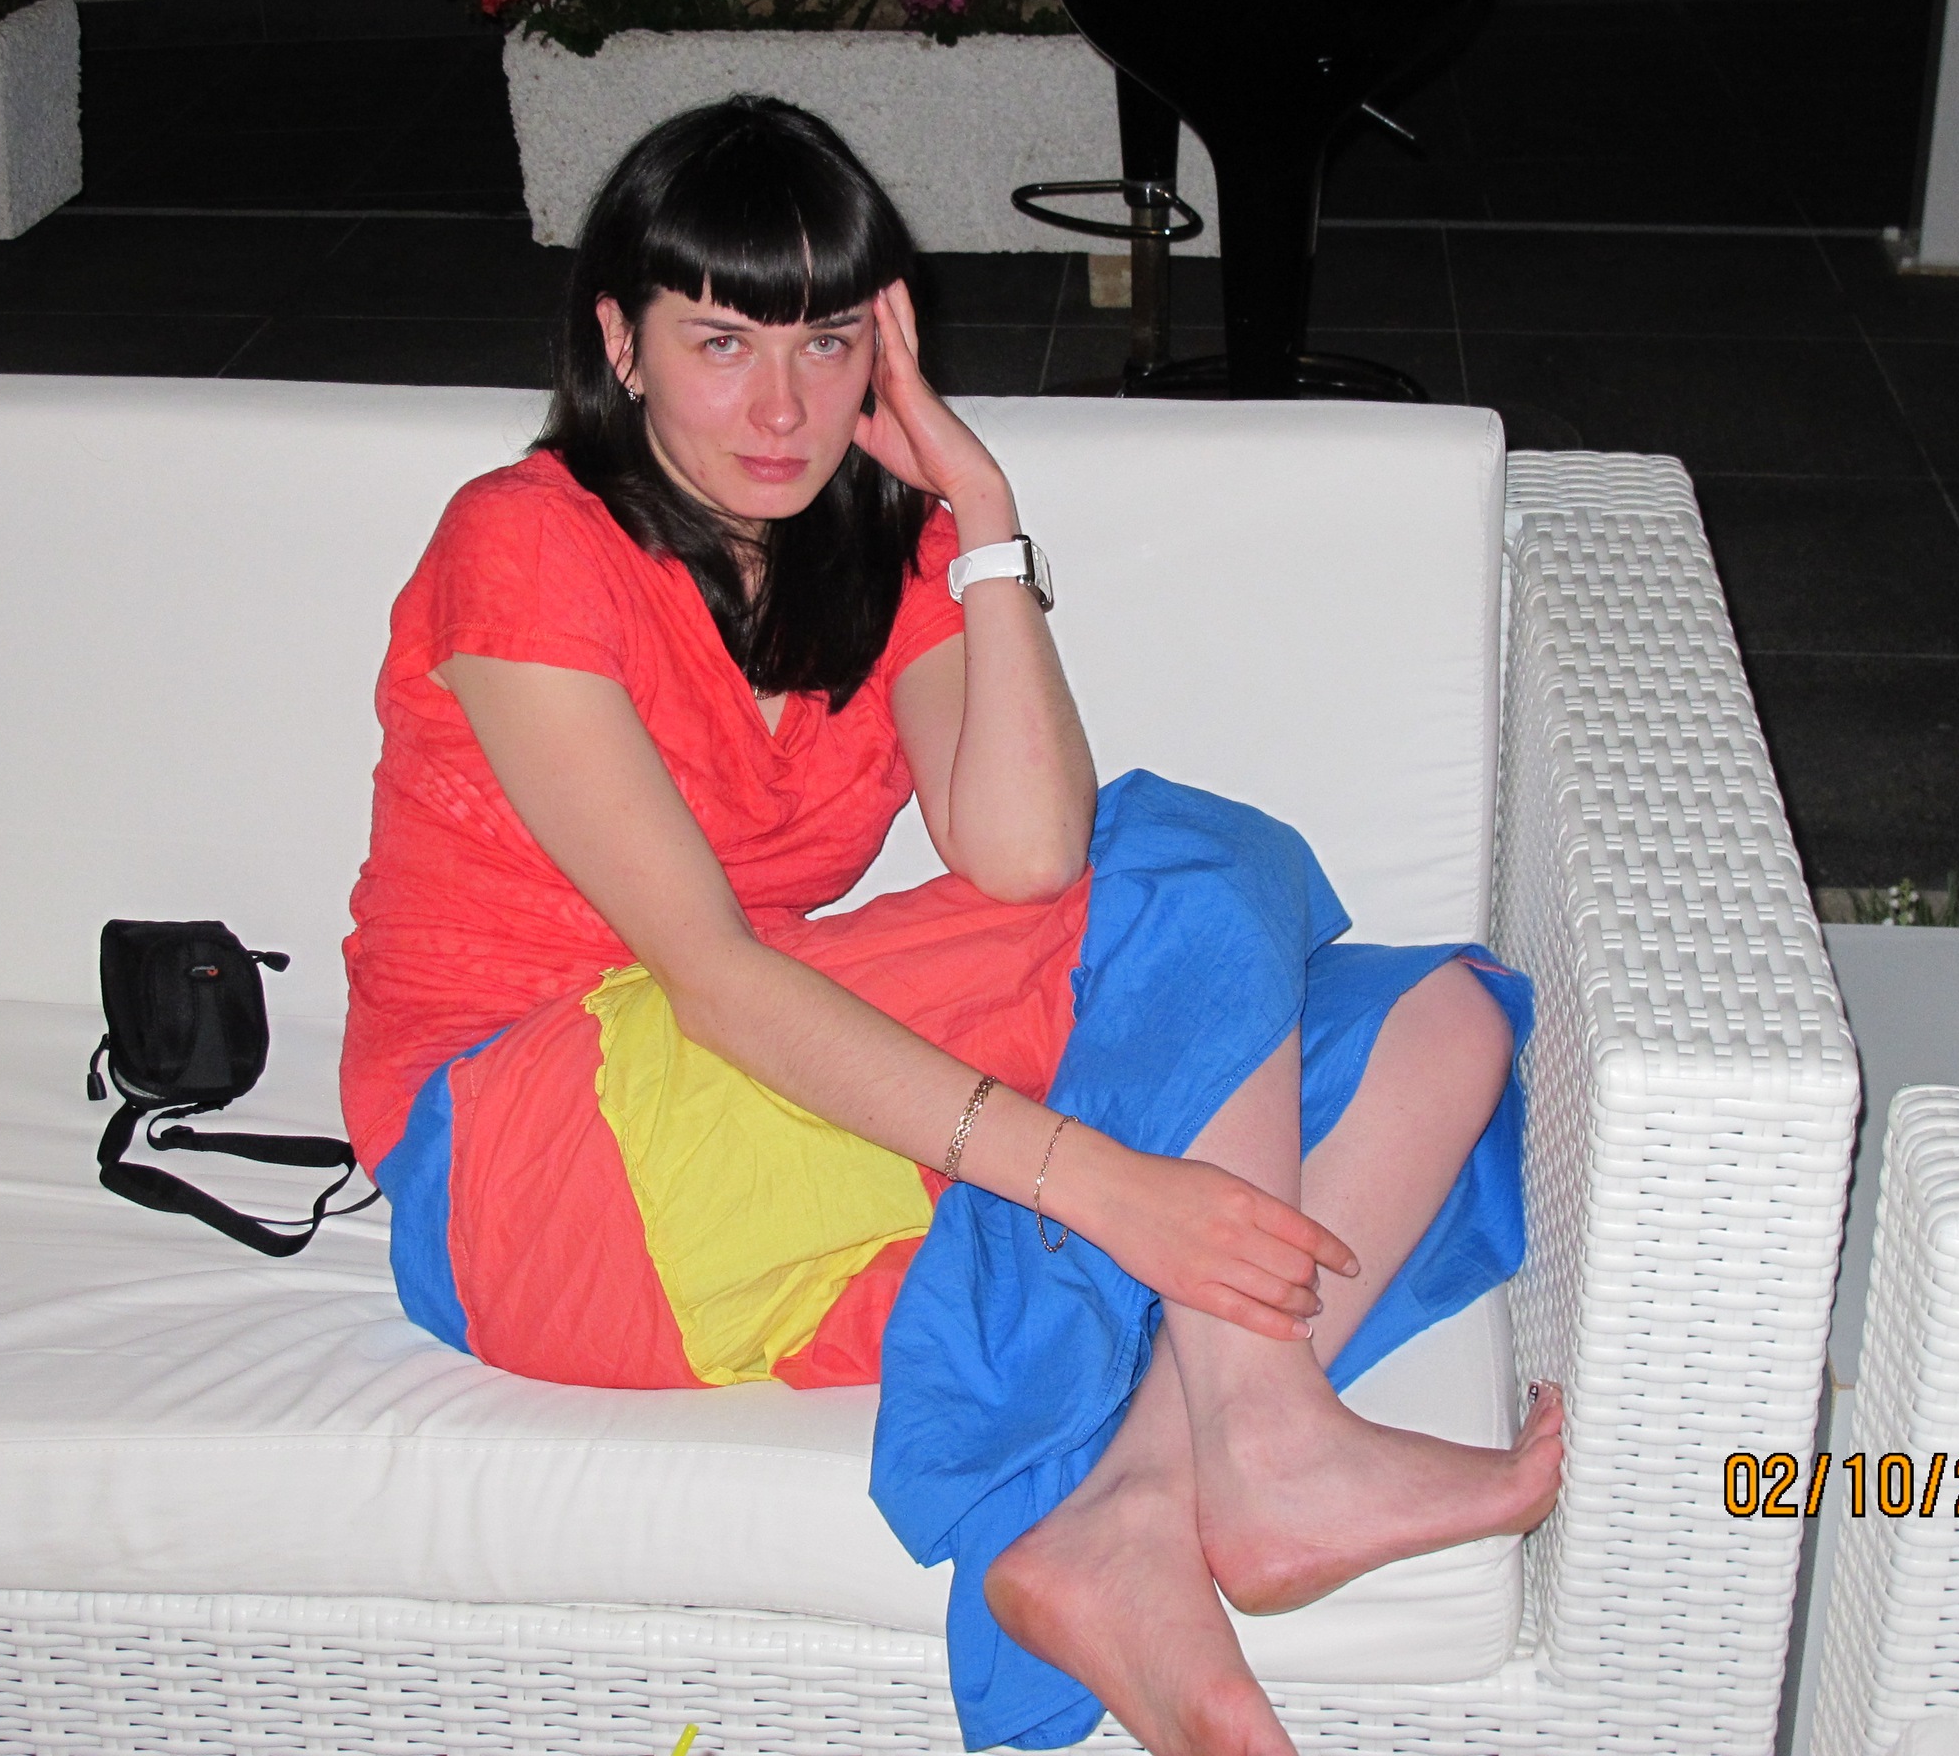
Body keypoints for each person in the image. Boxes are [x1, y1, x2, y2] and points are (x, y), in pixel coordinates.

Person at [341, 94, 1565, 1756]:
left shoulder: (887, 546)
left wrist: (981, 513)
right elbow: (716, 981)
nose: (783, 408)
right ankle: (1272, 1436)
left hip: (746, 1185)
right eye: (722, 345)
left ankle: (1135, 1511)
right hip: (530, 1158)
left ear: (887, 343)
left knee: (1436, 1027)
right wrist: (1106, 1181)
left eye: (828, 342)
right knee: (1196, 867)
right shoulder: (527, 542)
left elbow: (1024, 855)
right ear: (620, 343)